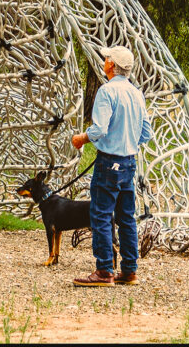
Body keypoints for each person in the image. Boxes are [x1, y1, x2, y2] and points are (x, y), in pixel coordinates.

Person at [70, 45, 153, 287]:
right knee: (126, 217)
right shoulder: (137, 93)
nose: (104, 60)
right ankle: (129, 270)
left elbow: (99, 129)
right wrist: (127, 142)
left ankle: (104, 270)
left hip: (108, 163)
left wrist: (82, 138)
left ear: (111, 65)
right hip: (129, 162)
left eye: (107, 58)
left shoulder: (107, 92)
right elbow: (146, 133)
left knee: (101, 215)